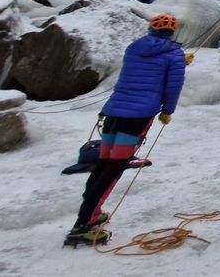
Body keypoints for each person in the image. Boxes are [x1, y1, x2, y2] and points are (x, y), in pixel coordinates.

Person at [64, 14, 186, 246]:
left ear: (150, 30)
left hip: (114, 111)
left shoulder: (134, 49)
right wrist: (167, 110)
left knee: (103, 165)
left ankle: (90, 212)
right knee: (114, 169)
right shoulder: (174, 54)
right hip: (138, 116)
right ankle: (84, 224)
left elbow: (134, 76)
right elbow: (173, 85)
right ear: (172, 32)